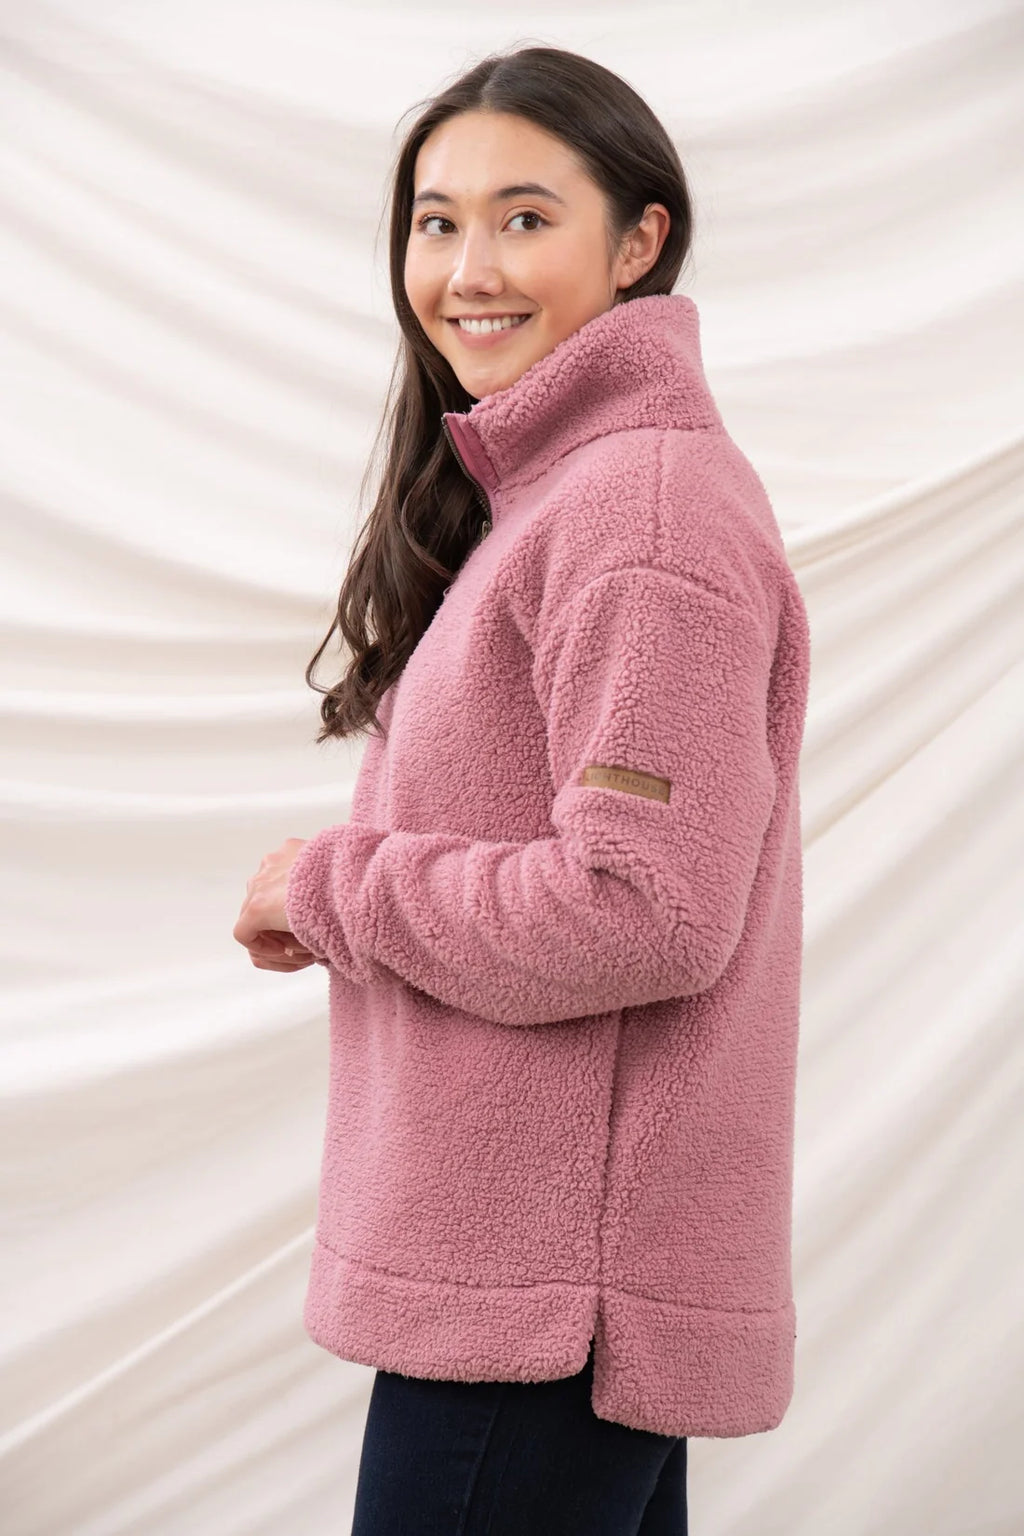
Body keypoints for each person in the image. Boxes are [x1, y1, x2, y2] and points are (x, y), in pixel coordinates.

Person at [233, 43, 811, 1536]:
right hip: (534, 1289)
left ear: (642, 240)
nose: (467, 269)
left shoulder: (644, 511)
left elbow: (640, 910)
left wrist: (331, 885)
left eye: (527, 217)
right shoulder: (557, 494)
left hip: (544, 1315)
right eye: (436, 221)